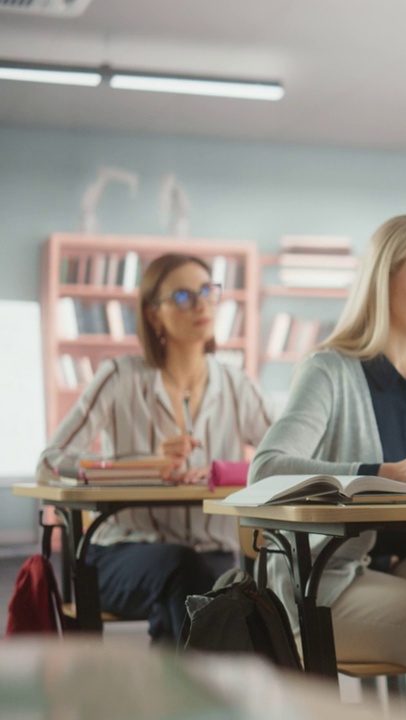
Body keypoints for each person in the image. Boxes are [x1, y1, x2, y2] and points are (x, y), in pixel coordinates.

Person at [249, 214, 406, 672]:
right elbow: (264, 470)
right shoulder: (329, 370)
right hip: (328, 582)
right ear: (383, 282)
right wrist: (381, 474)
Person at [37, 253, 273, 643]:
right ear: (152, 314)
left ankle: (179, 693)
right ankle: (201, 696)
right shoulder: (119, 377)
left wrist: (224, 471)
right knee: (190, 578)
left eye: (207, 291)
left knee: (230, 592)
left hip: (215, 557)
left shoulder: (236, 384)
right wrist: (141, 467)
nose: (200, 304)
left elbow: (281, 460)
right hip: (121, 556)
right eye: (182, 296)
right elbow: (49, 462)